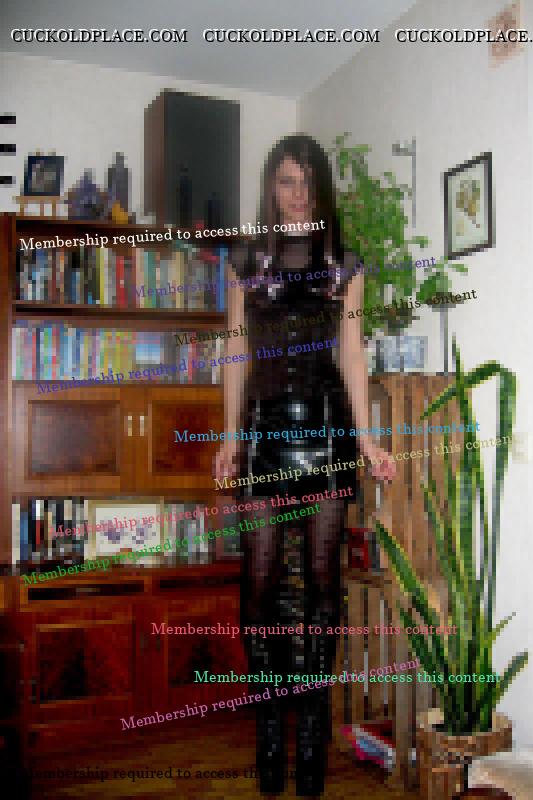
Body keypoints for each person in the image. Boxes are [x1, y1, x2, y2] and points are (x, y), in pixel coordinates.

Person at [215, 133, 396, 796]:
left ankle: (313, 734)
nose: (297, 193)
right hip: (263, 435)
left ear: (321, 188)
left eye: (307, 180)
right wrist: (230, 439)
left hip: (327, 436)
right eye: (286, 180)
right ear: (271, 185)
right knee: (259, 583)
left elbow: (352, 354)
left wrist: (368, 440)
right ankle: (270, 729)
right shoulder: (245, 260)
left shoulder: (344, 264)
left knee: (322, 587)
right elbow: (235, 351)